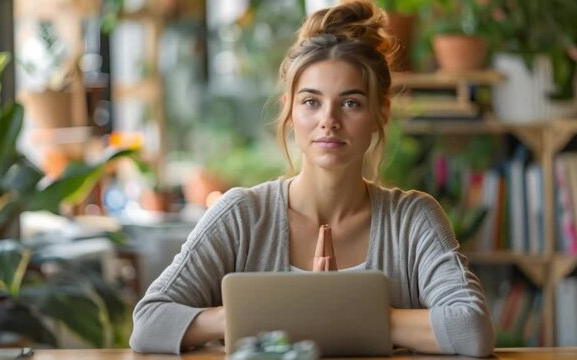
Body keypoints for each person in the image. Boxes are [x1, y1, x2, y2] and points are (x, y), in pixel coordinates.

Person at [129, 0, 495, 357]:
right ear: (289, 109)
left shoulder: (413, 219)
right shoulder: (241, 215)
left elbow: (471, 330)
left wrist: (343, 312)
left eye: (350, 102)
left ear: (380, 112)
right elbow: (149, 323)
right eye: (311, 101)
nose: (328, 120)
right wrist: (250, 317)